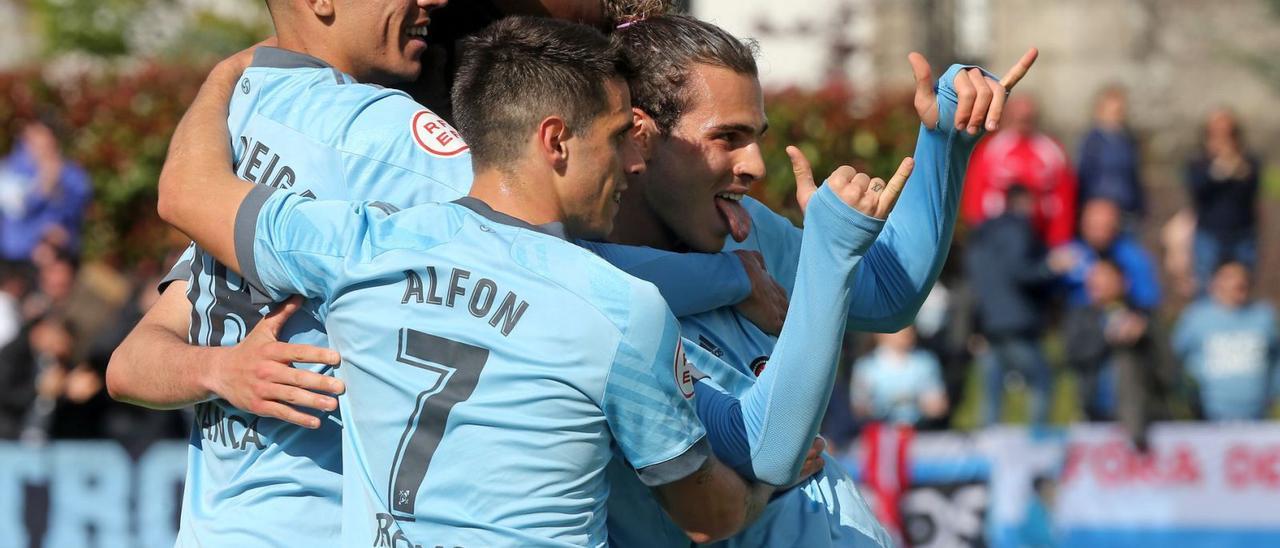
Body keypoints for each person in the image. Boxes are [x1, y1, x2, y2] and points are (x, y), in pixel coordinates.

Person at [156, 16, 909, 545]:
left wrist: (231, 72)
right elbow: (745, 476)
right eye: (620, 140)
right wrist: (832, 260)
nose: (635, 164)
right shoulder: (616, 309)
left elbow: (187, 193)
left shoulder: (364, 245)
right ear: (555, 142)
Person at [591, 12, 1035, 547]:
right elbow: (766, 449)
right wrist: (829, 252)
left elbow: (888, 295)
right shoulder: (592, 296)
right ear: (640, 136)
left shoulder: (742, 234)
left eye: (756, 136)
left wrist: (943, 141)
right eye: (726, 137)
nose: (755, 164)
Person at [966, 185, 1066, 426]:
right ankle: (1036, 442)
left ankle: (988, 453)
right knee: (1041, 380)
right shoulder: (1018, 230)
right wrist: (1050, 268)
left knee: (991, 394)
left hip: (988, 323)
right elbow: (1020, 270)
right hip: (1016, 321)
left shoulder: (981, 233)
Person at [1062, 259, 1169, 446]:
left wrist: (1144, 336)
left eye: (1104, 277)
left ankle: (1135, 429)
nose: (1097, 283)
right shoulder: (1080, 317)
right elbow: (1073, 355)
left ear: (1123, 282)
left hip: (1146, 415)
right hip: (1095, 411)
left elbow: (1167, 367)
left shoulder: (1144, 316)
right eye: (1093, 278)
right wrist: (1107, 337)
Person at [960, 95, 1077, 247]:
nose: (1023, 122)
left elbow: (1064, 197)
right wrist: (978, 232)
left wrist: (1059, 241)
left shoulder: (1052, 150)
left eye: (1028, 118)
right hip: (995, 236)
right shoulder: (990, 148)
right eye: (1018, 117)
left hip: (1040, 237)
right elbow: (975, 192)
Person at [1173, 261, 1279, 421]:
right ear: (1214, 284)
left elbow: (1276, 357)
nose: (1237, 282)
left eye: (1242, 278)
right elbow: (1175, 357)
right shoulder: (1195, 317)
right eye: (1229, 278)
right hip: (1207, 415)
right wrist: (1185, 396)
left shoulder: (1264, 316)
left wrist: (1274, 393)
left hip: (1257, 414)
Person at [1185, 108, 1262, 291]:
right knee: (1205, 285)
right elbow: (1199, 191)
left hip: (1243, 233)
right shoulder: (1199, 163)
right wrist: (1219, 170)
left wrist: (1236, 168)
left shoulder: (1248, 162)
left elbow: (1251, 190)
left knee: (1242, 285)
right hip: (1210, 233)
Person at [0, 116, 92, 261]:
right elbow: (17, 207)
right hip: (15, 257)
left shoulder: (72, 175)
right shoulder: (10, 169)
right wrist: (43, 187)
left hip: (55, 258)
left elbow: (75, 209)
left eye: (41, 135)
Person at [1057, 197, 1161, 312]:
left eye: (1104, 226)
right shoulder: (1068, 253)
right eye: (1094, 226)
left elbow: (1147, 297)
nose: (1099, 234)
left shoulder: (1132, 256)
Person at [851, 327, 948, 425]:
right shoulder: (865, 366)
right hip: (878, 431)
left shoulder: (926, 362)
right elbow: (858, 408)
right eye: (900, 328)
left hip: (920, 431)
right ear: (880, 334)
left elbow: (938, 407)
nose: (906, 333)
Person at [1076, 85, 1144, 221]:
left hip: (1126, 210)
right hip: (1100, 212)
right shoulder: (1092, 142)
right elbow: (1084, 176)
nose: (1118, 117)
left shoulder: (1127, 140)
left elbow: (1133, 177)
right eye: (1114, 112)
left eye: (1121, 111)